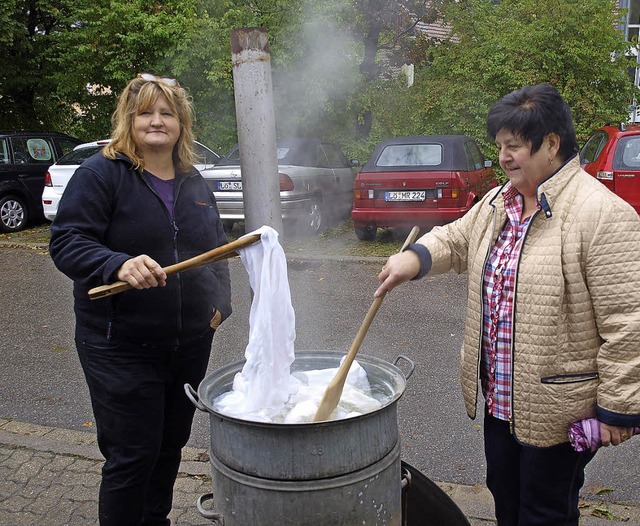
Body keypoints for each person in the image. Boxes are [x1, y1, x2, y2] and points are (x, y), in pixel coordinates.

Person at [376, 83, 640, 525]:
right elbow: (458, 238)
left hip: (557, 405)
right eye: (500, 146)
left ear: (551, 144)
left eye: (513, 146)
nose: (503, 157)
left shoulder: (603, 215)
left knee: (544, 511)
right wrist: (414, 257)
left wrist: (619, 408)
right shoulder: (502, 202)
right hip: (501, 400)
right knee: (505, 496)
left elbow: (629, 323)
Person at [49, 73, 232, 526]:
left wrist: (220, 305)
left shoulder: (193, 181)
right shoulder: (101, 174)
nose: (156, 121)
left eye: (166, 113)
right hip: (119, 344)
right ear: (128, 120)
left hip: (188, 343)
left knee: (170, 445)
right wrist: (116, 263)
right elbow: (67, 241)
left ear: (181, 123)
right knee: (133, 454)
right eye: (145, 112)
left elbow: (217, 249)